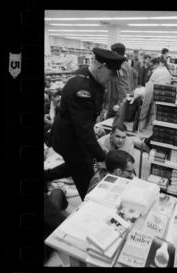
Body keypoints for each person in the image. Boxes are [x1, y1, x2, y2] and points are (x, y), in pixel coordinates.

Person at [50, 47, 126, 201]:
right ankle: (90, 207)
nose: (112, 78)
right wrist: (102, 157)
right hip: (69, 140)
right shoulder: (82, 89)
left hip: (71, 132)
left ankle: (46, 175)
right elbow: (83, 131)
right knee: (87, 178)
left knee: (77, 165)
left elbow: (84, 120)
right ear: (100, 67)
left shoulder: (87, 75)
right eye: (111, 74)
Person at [138, 56, 172, 131]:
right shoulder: (166, 70)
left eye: (152, 65)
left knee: (152, 111)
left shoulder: (156, 71)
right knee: (158, 113)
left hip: (156, 94)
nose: (152, 67)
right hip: (164, 94)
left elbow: (150, 84)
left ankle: (150, 127)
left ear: (156, 64)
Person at [105, 43, 132, 121]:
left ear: (115, 53)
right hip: (117, 100)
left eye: (111, 52)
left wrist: (121, 104)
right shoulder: (125, 63)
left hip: (116, 103)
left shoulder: (120, 66)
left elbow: (122, 84)